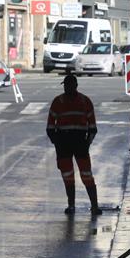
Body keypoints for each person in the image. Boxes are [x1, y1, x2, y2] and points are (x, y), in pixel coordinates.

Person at [47, 74, 102, 216]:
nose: (67, 88)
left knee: (75, 175)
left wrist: (58, 143)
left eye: (68, 85)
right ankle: (92, 207)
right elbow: (93, 128)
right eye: (66, 85)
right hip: (75, 143)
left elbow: (50, 128)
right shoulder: (84, 101)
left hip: (67, 144)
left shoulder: (59, 102)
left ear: (74, 86)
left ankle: (75, 206)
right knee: (76, 175)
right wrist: (86, 144)